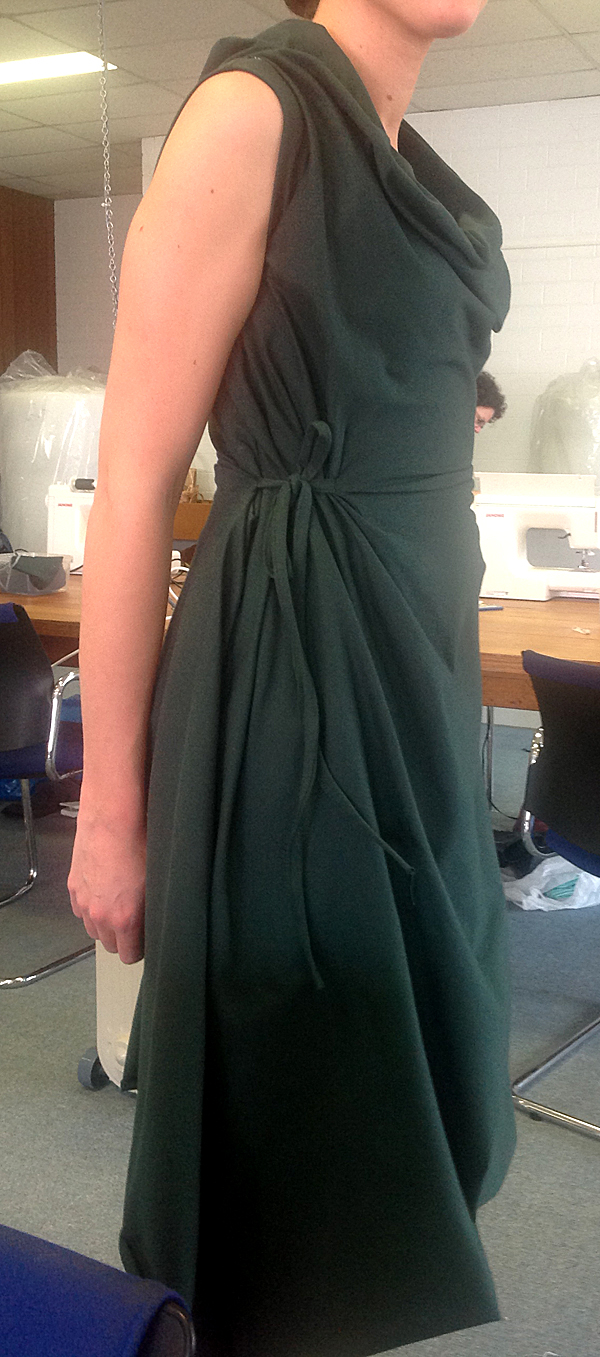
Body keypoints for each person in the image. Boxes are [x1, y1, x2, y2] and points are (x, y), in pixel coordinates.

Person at [68, 1, 516, 1352]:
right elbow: (134, 490)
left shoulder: (406, 157)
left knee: (409, 1073)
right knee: (299, 1106)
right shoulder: (253, 113)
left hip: (419, 679)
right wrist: (109, 814)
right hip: (292, 683)